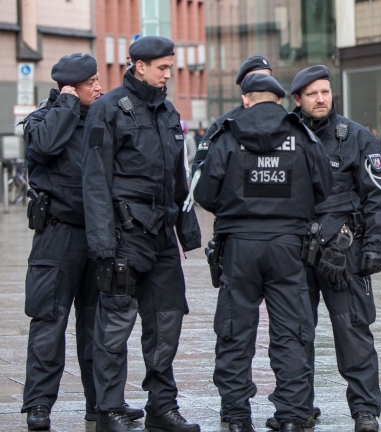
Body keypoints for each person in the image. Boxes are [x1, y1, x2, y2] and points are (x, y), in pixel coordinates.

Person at [194, 73, 334, 432]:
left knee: (234, 332)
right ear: (280, 100)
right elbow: (324, 186)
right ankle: (292, 416)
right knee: (292, 333)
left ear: (246, 99)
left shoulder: (227, 135)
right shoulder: (302, 135)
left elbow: (205, 193)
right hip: (288, 246)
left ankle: (237, 416)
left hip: (239, 246)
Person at [82, 36, 202, 432]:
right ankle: (109, 410)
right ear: (139, 66)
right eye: (163, 67)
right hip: (124, 235)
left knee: (167, 321)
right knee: (115, 326)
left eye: (170, 66)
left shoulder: (168, 111)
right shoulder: (107, 109)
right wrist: (102, 244)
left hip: (162, 235)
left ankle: (162, 408)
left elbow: (179, 177)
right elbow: (94, 181)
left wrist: (186, 230)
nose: (168, 74)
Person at [20, 53, 143, 431]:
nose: (100, 88)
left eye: (98, 80)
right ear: (70, 87)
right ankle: (39, 404)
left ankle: (102, 404)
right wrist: (67, 105)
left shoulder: (102, 118)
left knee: (99, 324)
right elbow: (43, 147)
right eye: (91, 83)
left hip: (99, 234)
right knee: (49, 319)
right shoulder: (43, 119)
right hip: (57, 235)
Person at [285, 65, 381, 432]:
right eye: (312, 94)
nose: (321, 99)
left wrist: (375, 245)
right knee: (296, 332)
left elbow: (378, 196)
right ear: (297, 99)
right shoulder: (285, 136)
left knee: (353, 329)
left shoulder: (358, 137)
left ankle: (365, 411)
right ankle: (297, 409)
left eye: (325, 92)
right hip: (295, 250)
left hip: (344, 250)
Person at [192, 55, 273, 169]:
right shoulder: (221, 126)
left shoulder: (284, 122)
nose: (261, 84)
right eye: (254, 79)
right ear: (241, 84)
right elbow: (200, 168)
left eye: (266, 79)